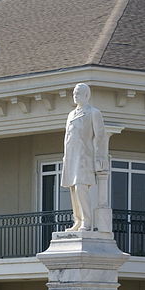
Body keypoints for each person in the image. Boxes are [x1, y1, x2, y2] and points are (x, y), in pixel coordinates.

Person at [61, 83, 106, 231]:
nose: (75, 95)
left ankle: (87, 221)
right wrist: (65, 157)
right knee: (73, 189)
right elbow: (67, 137)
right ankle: (78, 221)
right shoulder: (70, 115)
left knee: (81, 187)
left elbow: (99, 137)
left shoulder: (93, 113)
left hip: (84, 156)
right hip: (71, 157)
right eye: (74, 93)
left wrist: (99, 158)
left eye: (78, 93)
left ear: (87, 95)